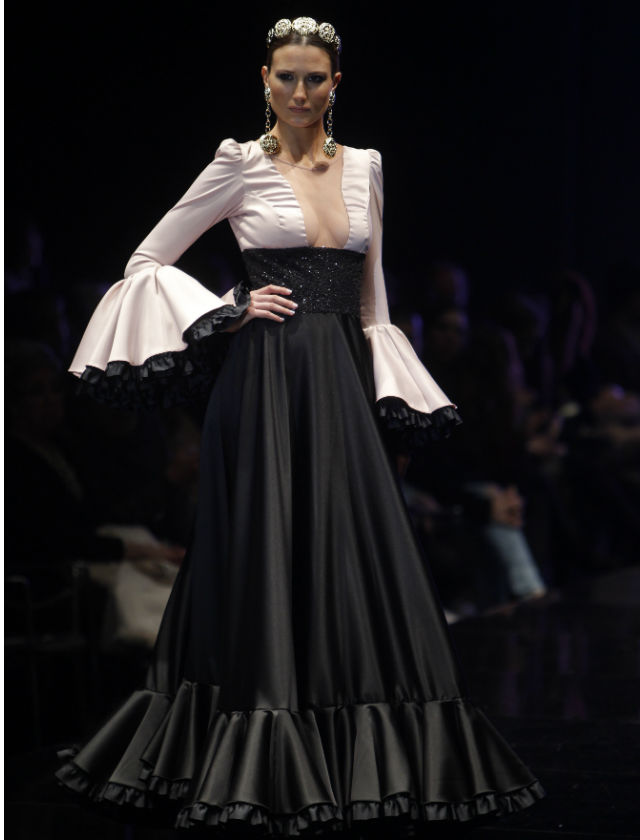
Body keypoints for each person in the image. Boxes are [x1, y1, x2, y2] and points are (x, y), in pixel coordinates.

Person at [55, 16, 544, 835]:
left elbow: (373, 302)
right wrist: (231, 307)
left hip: (341, 382)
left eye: (315, 77)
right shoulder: (237, 163)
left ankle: (362, 755)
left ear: (335, 84)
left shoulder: (366, 167)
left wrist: (388, 396)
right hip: (264, 382)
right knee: (265, 549)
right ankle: (257, 752)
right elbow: (146, 261)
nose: (300, 91)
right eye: (286, 76)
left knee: (355, 551)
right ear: (265, 79)